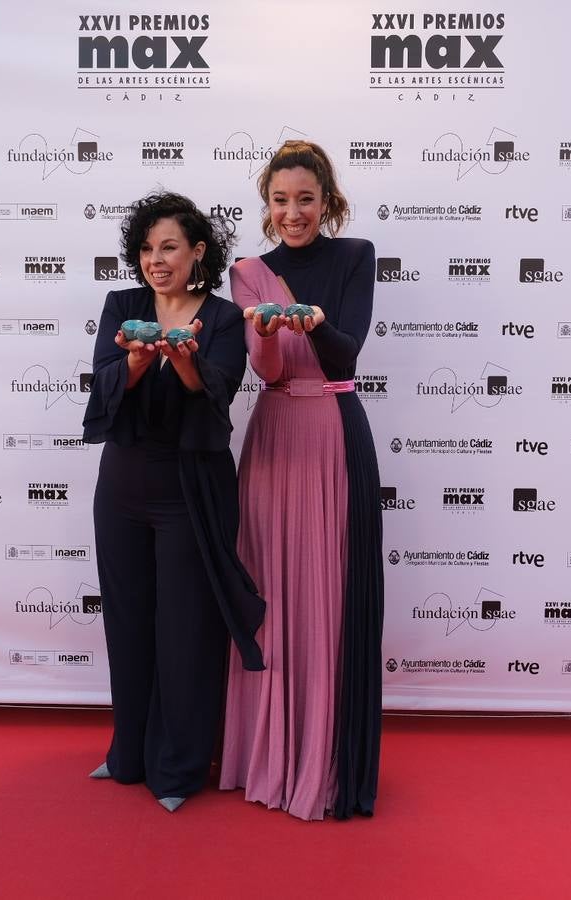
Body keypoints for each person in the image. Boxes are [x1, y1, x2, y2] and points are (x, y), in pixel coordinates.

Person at [81, 191, 265, 813]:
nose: (155, 260)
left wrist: (184, 361)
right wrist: (137, 361)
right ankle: (128, 753)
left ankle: (179, 768)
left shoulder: (223, 318)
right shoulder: (123, 305)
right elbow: (105, 388)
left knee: (186, 630)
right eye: (146, 249)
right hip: (122, 487)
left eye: (169, 248)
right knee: (128, 624)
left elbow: (217, 396)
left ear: (197, 252)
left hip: (190, 489)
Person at [220, 140, 383, 820]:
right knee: (270, 592)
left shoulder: (356, 257)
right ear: (267, 204)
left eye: (306, 200)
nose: (293, 213)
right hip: (275, 438)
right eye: (281, 200)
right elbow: (268, 371)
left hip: (334, 434)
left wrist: (314, 324)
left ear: (327, 201)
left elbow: (347, 354)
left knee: (329, 596)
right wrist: (262, 332)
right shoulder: (249, 271)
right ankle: (266, 757)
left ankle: (322, 762)